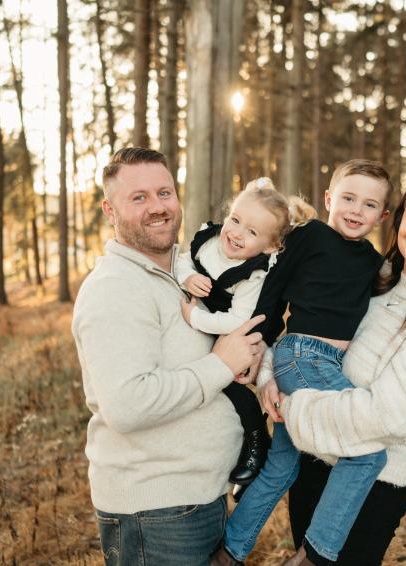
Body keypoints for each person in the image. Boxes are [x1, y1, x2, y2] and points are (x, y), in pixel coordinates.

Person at [263, 175, 406, 565]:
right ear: (396, 222)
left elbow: (383, 417)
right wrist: (269, 373)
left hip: (373, 483)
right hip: (316, 458)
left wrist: (292, 406)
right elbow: (306, 331)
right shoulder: (374, 280)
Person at [71, 147, 266, 566]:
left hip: (196, 500)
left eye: (164, 193)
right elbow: (128, 404)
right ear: (110, 210)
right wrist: (220, 365)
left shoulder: (183, 273)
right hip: (155, 514)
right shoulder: (115, 287)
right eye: (138, 197)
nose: (157, 207)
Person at [211, 159, 394, 566]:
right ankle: (315, 556)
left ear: (382, 216)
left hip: (325, 365)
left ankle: (228, 552)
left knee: (282, 467)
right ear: (329, 198)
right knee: (368, 453)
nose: (354, 210)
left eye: (368, 205)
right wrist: (265, 365)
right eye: (347, 198)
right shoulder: (309, 236)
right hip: (301, 357)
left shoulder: (372, 260)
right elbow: (271, 295)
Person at [175, 177, 292, 487]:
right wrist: (187, 277)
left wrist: (196, 318)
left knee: (229, 382)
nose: (237, 234)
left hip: (227, 330)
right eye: (236, 220)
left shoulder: (252, 274)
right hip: (201, 322)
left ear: (269, 246)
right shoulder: (209, 238)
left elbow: (238, 320)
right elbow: (182, 260)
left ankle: (256, 440)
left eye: (251, 232)